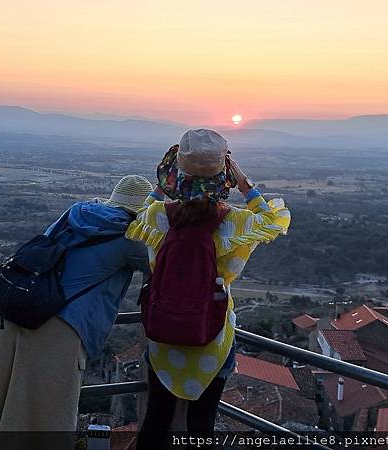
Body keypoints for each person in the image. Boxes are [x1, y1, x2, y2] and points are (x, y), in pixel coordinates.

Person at [0, 175, 153, 450]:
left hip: (8, 311)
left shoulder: (76, 213)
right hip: (54, 326)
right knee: (41, 415)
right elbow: (166, 268)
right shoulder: (131, 237)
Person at [127, 129, 291, 450]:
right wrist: (243, 182)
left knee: (155, 419)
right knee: (202, 424)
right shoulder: (236, 223)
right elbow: (274, 220)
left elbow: (134, 214)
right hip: (212, 335)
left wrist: (163, 185)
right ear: (224, 176)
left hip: (163, 334)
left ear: (177, 173)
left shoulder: (158, 216)